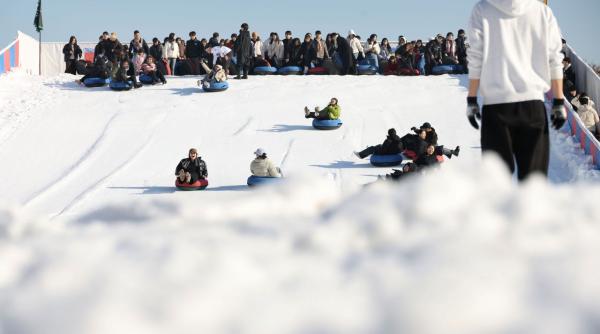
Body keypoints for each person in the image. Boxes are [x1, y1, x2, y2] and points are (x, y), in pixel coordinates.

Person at [466, 0, 566, 180]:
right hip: (532, 104)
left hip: (496, 107)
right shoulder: (542, 12)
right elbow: (555, 58)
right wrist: (558, 101)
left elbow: (475, 56)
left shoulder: (483, 9)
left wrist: (472, 98)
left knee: (496, 182)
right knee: (533, 183)